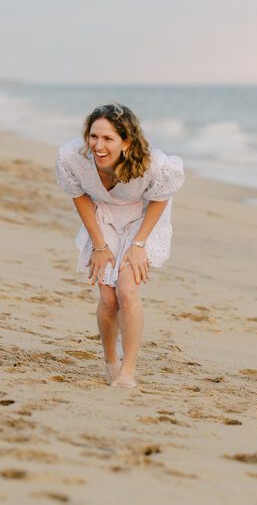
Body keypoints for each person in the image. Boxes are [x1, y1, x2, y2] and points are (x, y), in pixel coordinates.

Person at [55, 103, 184, 388]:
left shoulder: (155, 165)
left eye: (108, 139)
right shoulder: (72, 159)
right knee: (108, 299)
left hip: (142, 221)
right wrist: (99, 247)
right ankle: (110, 359)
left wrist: (139, 244)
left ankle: (128, 370)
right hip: (103, 219)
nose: (98, 146)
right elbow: (80, 198)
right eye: (93, 136)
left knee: (126, 291)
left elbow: (161, 198)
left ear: (126, 142)